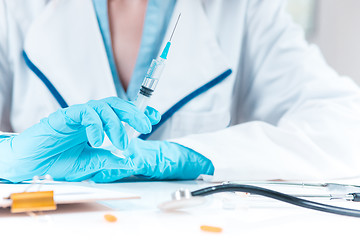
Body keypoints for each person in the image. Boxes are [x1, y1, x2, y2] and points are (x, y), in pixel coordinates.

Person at [1, 0, 360, 183]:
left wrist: (193, 155)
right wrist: (8, 155)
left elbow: (346, 125)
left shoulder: (245, 9)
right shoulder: (15, 10)